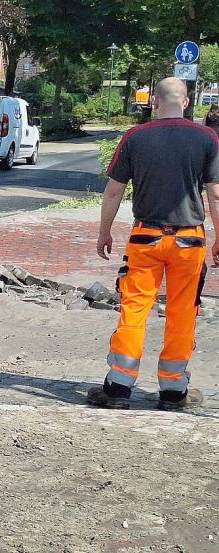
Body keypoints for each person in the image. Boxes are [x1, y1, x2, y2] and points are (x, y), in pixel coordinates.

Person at [89, 77, 219, 411]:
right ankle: (174, 392)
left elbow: (114, 190)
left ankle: (118, 388)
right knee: (182, 313)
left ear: (154, 102)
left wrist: (104, 232)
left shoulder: (135, 137)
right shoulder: (207, 138)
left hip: (145, 239)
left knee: (134, 309)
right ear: (187, 102)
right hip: (190, 242)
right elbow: (215, 193)